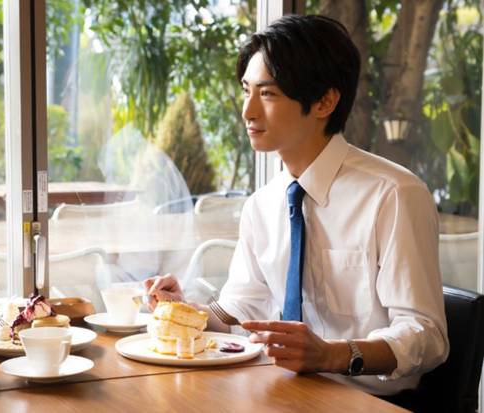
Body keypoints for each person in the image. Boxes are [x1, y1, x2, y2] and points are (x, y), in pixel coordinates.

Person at [145, 15, 448, 396]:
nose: (248, 112)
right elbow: (241, 309)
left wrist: (332, 355)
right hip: (279, 391)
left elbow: (426, 335)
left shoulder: (393, 194)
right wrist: (185, 311)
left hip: (364, 401)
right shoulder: (265, 202)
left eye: (268, 94)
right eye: (246, 90)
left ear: (325, 101)